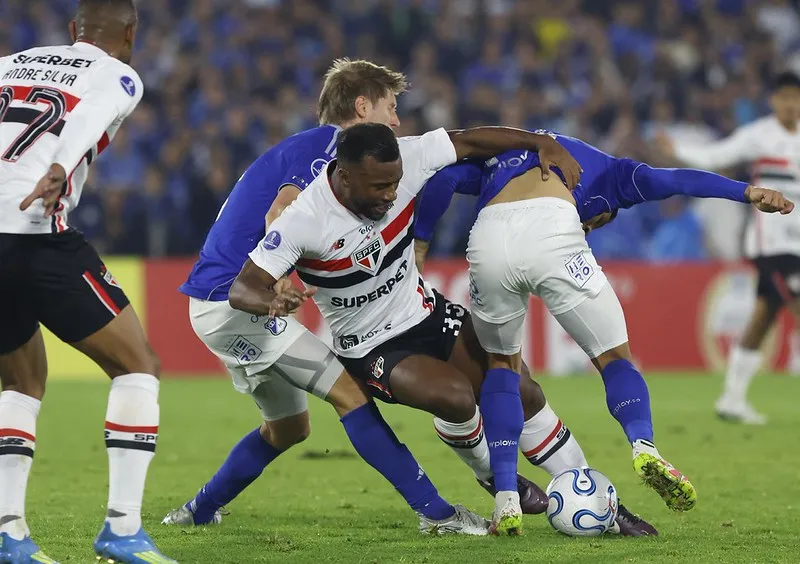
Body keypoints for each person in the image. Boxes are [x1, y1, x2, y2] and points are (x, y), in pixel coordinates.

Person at [229, 121, 640, 536]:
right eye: (378, 187)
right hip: (371, 347)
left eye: (395, 184)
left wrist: (540, 142)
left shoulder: (411, 157)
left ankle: (600, 502)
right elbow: (243, 286)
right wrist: (272, 301)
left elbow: (472, 140)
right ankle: (497, 478)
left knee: (522, 388)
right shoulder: (304, 219)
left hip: (427, 314)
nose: (390, 195)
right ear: (345, 174)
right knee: (457, 398)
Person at [162, 59, 492, 537]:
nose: (396, 122)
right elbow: (282, 210)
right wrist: (280, 280)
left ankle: (198, 509)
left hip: (218, 304)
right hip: (237, 300)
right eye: (390, 108)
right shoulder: (327, 147)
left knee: (289, 429)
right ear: (362, 107)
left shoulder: (305, 149)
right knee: (350, 394)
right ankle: (437, 513)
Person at [413, 132, 793, 513]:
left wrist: (421, 243)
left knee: (500, 366)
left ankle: (507, 498)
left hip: (487, 236)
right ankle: (644, 447)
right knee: (614, 359)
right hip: (551, 230)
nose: (592, 227)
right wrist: (745, 192)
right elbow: (678, 180)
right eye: (596, 224)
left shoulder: (505, 153)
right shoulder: (617, 175)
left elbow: (443, 181)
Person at [0, 1, 176, 562]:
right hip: (34, 232)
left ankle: (9, 534)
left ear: (73, 29)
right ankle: (122, 529)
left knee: (21, 382)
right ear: (129, 35)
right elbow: (87, 117)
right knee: (138, 365)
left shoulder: (12, 62)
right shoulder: (119, 73)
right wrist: (58, 164)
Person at [656, 71, 800, 424]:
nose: (790, 103)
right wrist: (679, 151)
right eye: (784, 96)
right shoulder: (760, 134)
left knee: (765, 314)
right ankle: (732, 398)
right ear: (773, 100)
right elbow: (716, 156)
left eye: (795, 96)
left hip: (798, 240)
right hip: (771, 240)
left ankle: (732, 399)